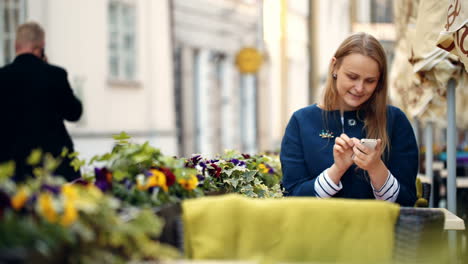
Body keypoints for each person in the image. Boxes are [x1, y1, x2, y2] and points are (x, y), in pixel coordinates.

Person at [280, 32, 418, 206]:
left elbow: (407, 201)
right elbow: (292, 198)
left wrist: (376, 168)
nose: (359, 88)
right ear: (334, 67)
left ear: (379, 81)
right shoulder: (301, 121)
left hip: (378, 232)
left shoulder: (395, 121)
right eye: (352, 77)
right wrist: (337, 170)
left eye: (370, 81)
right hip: (317, 232)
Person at [0, 22, 82, 181]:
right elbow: (74, 113)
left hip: (12, 171)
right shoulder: (55, 74)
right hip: (54, 169)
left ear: (16, 45)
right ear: (41, 47)